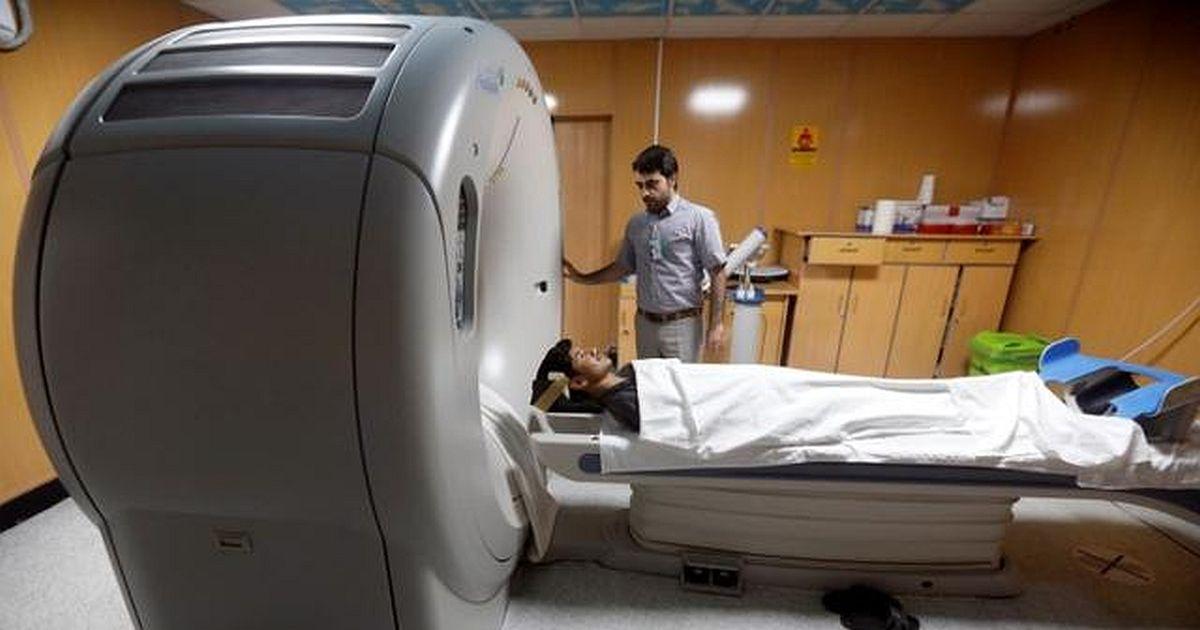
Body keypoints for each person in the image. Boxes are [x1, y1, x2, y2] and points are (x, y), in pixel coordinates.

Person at [563, 145, 727, 362]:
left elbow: (717, 271)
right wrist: (581, 277)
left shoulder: (699, 218)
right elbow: (623, 267)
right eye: (640, 186)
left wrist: (717, 324)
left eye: (652, 184)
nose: (645, 193)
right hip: (645, 323)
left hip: (682, 326)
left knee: (679, 383)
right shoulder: (637, 224)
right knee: (647, 381)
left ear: (672, 179)